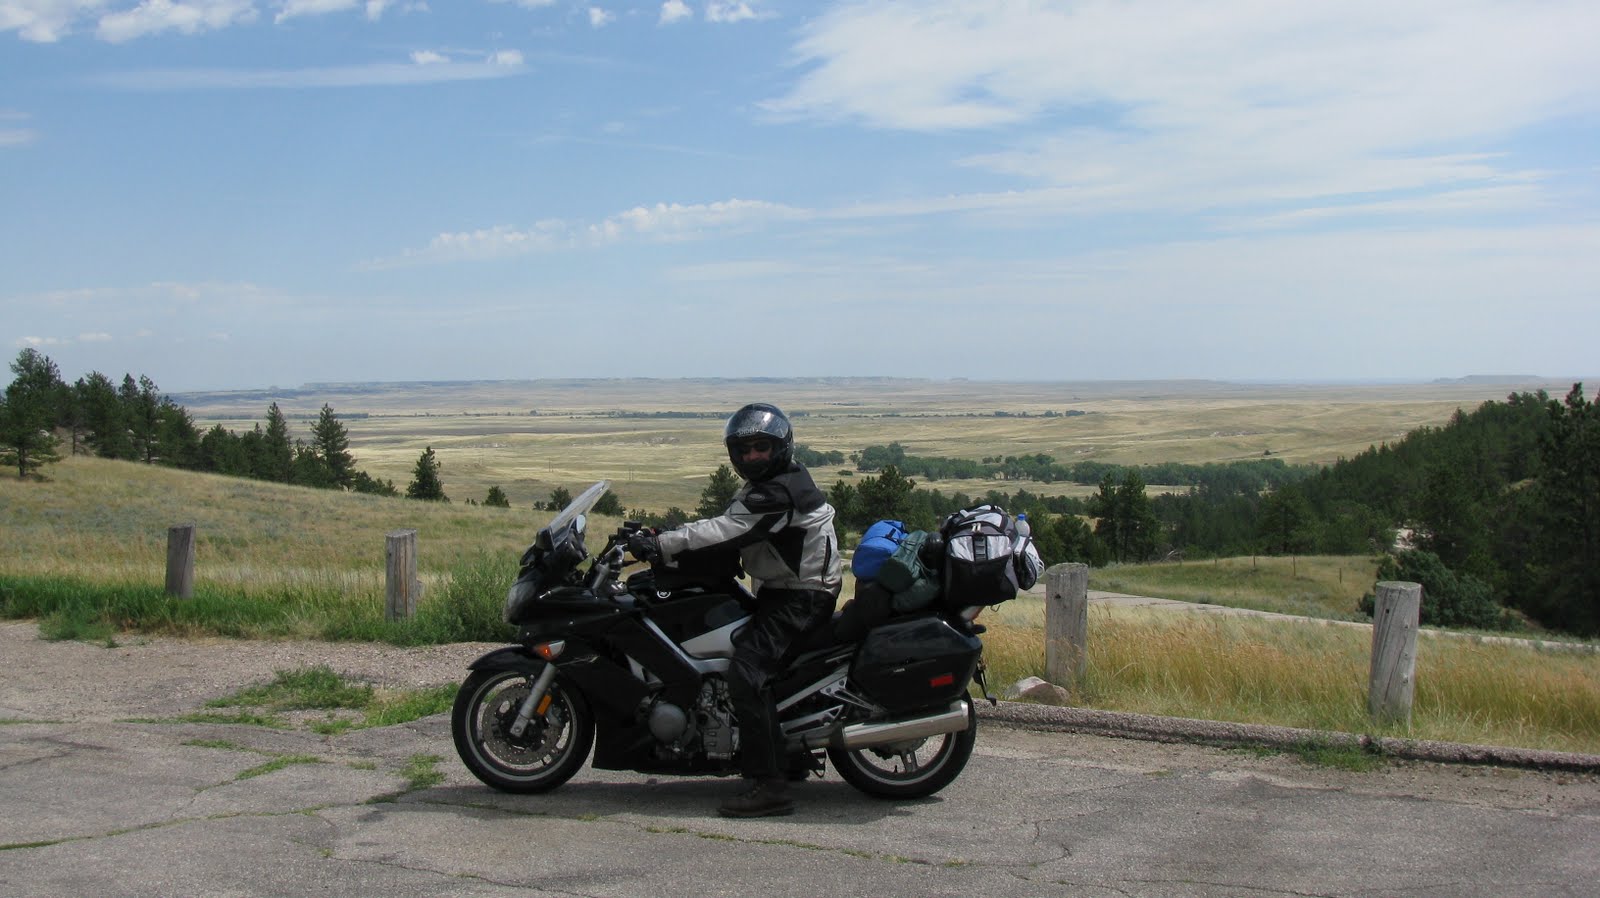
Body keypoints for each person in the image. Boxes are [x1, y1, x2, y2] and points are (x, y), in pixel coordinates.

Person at [627, 402, 842, 818]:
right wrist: (664, 538)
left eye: (761, 447)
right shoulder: (776, 482)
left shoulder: (779, 491)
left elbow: (727, 529)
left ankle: (770, 785)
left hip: (801, 597)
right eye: (743, 451)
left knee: (746, 673)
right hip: (785, 591)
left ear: (780, 447)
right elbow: (729, 526)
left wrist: (662, 544)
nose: (751, 457)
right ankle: (789, 755)